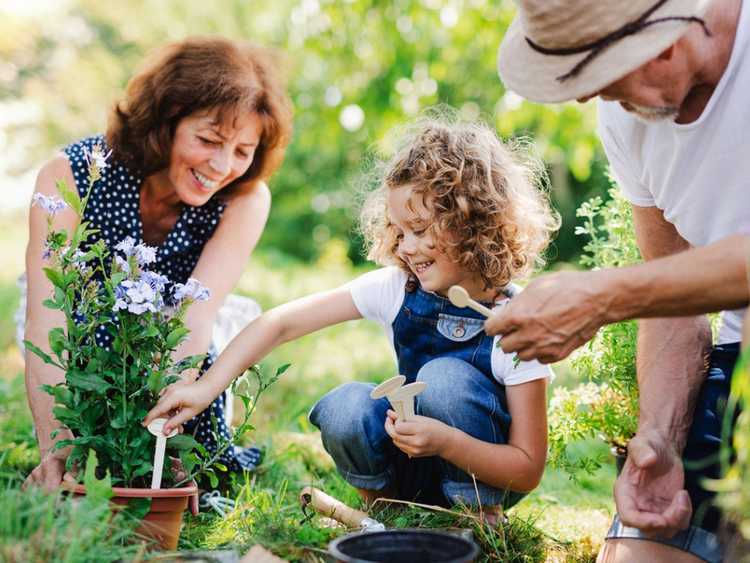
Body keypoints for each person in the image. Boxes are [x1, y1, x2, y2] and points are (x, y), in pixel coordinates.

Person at [145, 118, 559, 516]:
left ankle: (477, 514)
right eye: (399, 231)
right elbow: (280, 324)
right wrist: (203, 388)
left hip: (480, 469)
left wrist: (447, 442)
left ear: (472, 223)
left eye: (419, 229)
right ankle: (384, 506)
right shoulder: (399, 288)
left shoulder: (515, 325)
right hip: (410, 457)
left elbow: (526, 469)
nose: (407, 247)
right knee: (345, 406)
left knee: (446, 381)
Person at [495, 0, 749, 561]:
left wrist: (601, 296)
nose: (588, 97)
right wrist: (660, 436)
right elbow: (673, 300)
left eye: (600, 74)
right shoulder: (627, 119)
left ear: (665, 40)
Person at [23, 37, 293, 491]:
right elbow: (45, 314)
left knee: (199, 463)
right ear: (166, 123)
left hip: (172, 345)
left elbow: (196, 315)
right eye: (208, 140)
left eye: (243, 151)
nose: (223, 165)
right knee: (85, 437)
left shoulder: (245, 198)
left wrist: (159, 426)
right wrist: (56, 446)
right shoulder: (68, 174)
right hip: (81, 336)